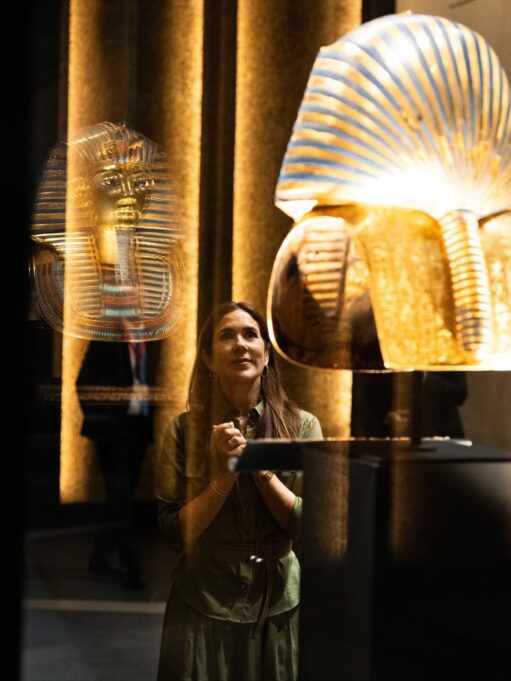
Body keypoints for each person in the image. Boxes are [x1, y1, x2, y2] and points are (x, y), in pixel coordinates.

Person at [156, 301, 323, 681]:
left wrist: (258, 466)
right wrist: (224, 477)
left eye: (251, 334)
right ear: (208, 358)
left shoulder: (303, 427)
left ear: (267, 354)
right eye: (226, 336)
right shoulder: (184, 431)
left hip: (277, 602)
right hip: (204, 599)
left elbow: (308, 524)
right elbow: (173, 532)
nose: (241, 344)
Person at [77, 338, 161, 589]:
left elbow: (146, 380)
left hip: (138, 430)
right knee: (120, 498)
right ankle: (131, 565)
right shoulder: (106, 338)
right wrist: (105, 424)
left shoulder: (149, 341)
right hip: (113, 433)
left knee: (120, 500)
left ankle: (100, 557)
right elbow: (83, 383)